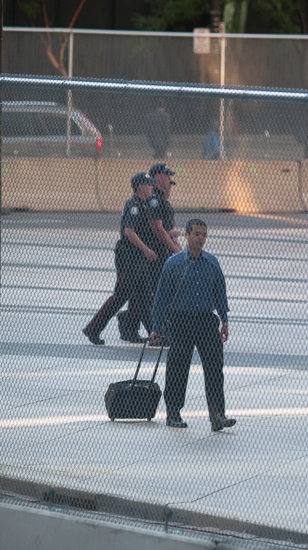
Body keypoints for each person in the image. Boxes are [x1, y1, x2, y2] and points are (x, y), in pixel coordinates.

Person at [150, 219, 236, 431]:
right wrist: (156, 326)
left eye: (204, 235)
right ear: (186, 235)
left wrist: (224, 320)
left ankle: (217, 414)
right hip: (181, 319)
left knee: (215, 367)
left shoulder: (212, 263)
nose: (201, 238)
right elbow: (162, 296)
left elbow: (220, 293)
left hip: (206, 320)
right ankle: (174, 412)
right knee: (178, 366)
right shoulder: (173, 263)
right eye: (196, 234)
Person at [82, 173, 159, 346]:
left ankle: (142, 332)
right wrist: (146, 250)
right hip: (129, 256)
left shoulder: (144, 205)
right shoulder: (134, 206)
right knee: (121, 294)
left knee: (144, 295)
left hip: (138, 256)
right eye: (148, 184)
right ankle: (93, 328)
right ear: (139, 187)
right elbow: (129, 232)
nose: (151, 187)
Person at [117, 163, 182, 342]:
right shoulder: (154, 200)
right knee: (150, 292)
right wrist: (174, 247)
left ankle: (130, 323)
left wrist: (172, 239)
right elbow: (156, 230)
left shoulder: (158, 199)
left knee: (146, 292)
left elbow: (161, 229)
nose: (169, 180)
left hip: (158, 250)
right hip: (154, 253)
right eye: (167, 176)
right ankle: (156, 329)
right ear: (157, 177)